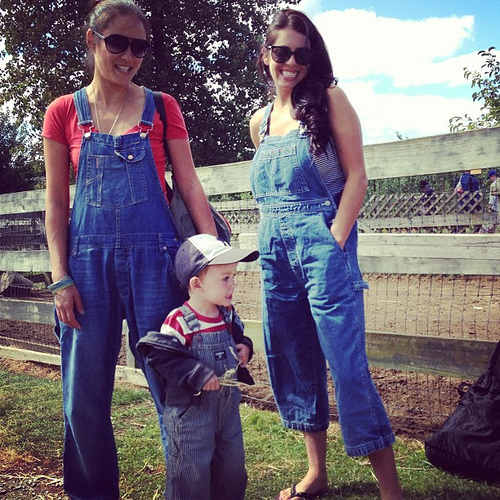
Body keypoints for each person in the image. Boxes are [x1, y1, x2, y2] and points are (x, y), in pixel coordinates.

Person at [42, 0, 216, 497]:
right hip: (85, 271)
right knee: (82, 396)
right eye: (117, 42)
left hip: (155, 266)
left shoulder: (163, 106)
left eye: (139, 47)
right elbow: (56, 204)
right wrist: (60, 277)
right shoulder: (62, 112)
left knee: (173, 384)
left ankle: (189, 489)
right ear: (92, 40)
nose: (129, 56)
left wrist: (210, 258)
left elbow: (190, 186)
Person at [249, 9, 403, 500]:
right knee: (294, 360)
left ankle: (391, 490)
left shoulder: (331, 100)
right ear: (266, 56)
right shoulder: (259, 123)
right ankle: (316, 472)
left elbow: (357, 176)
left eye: (302, 53)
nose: (292, 62)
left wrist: (334, 238)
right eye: (282, 52)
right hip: (274, 255)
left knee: (347, 364)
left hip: (323, 248)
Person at [137, 234, 259, 500]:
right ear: (196, 284)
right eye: (225, 278)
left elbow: (237, 336)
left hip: (227, 411)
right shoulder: (180, 321)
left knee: (232, 468)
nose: (233, 284)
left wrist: (244, 347)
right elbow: (162, 358)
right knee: (191, 472)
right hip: (191, 413)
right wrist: (197, 373)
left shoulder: (226, 314)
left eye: (233, 276)